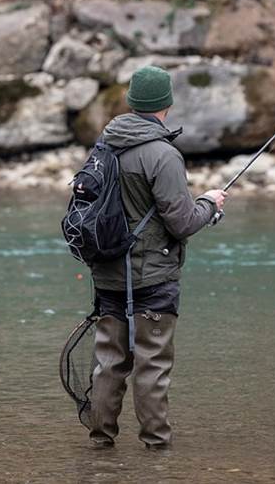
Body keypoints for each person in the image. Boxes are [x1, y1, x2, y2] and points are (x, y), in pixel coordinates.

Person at [88, 65, 227, 450]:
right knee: (152, 363)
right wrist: (209, 203)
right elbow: (182, 222)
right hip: (153, 278)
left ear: (133, 101)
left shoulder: (104, 145)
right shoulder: (163, 154)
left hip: (108, 273)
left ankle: (100, 442)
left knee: (109, 362)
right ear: (166, 103)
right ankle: (156, 447)